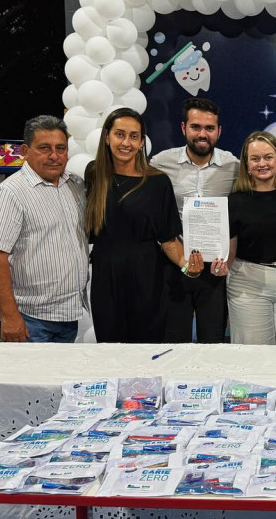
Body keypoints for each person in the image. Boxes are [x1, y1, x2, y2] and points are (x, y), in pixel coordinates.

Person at [86, 108, 201, 343]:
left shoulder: (157, 181)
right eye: (120, 134)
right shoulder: (94, 173)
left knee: (145, 350)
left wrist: (187, 267)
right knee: (108, 349)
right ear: (107, 137)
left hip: (147, 277)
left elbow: (169, 240)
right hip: (105, 277)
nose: (126, 143)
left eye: (134, 136)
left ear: (141, 143)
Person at [0, 115, 89, 342]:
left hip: (69, 315)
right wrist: (10, 316)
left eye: (60, 148)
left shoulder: (75, 185)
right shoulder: (10, 194)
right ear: (25, 151)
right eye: (44, 148)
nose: (54, 155)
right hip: (31, 320)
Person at [150, 97, 238, 343]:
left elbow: (240, 218)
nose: (202, 134)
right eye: (195, 127)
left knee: (213, 342)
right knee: (173, 343)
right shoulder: (160, 163)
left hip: (215, 269)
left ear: (219, 131)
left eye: (209, 128)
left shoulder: (233, 167)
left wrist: (228, 262)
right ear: (183, 128)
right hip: (175, 263)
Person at [225, 131, 276, 344]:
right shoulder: (234, 201)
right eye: (255, 159)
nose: (262, 163)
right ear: (246, 165)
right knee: (253, 355)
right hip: (248, 285)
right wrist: (220, 266)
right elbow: (230, 251)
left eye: (268, 157)